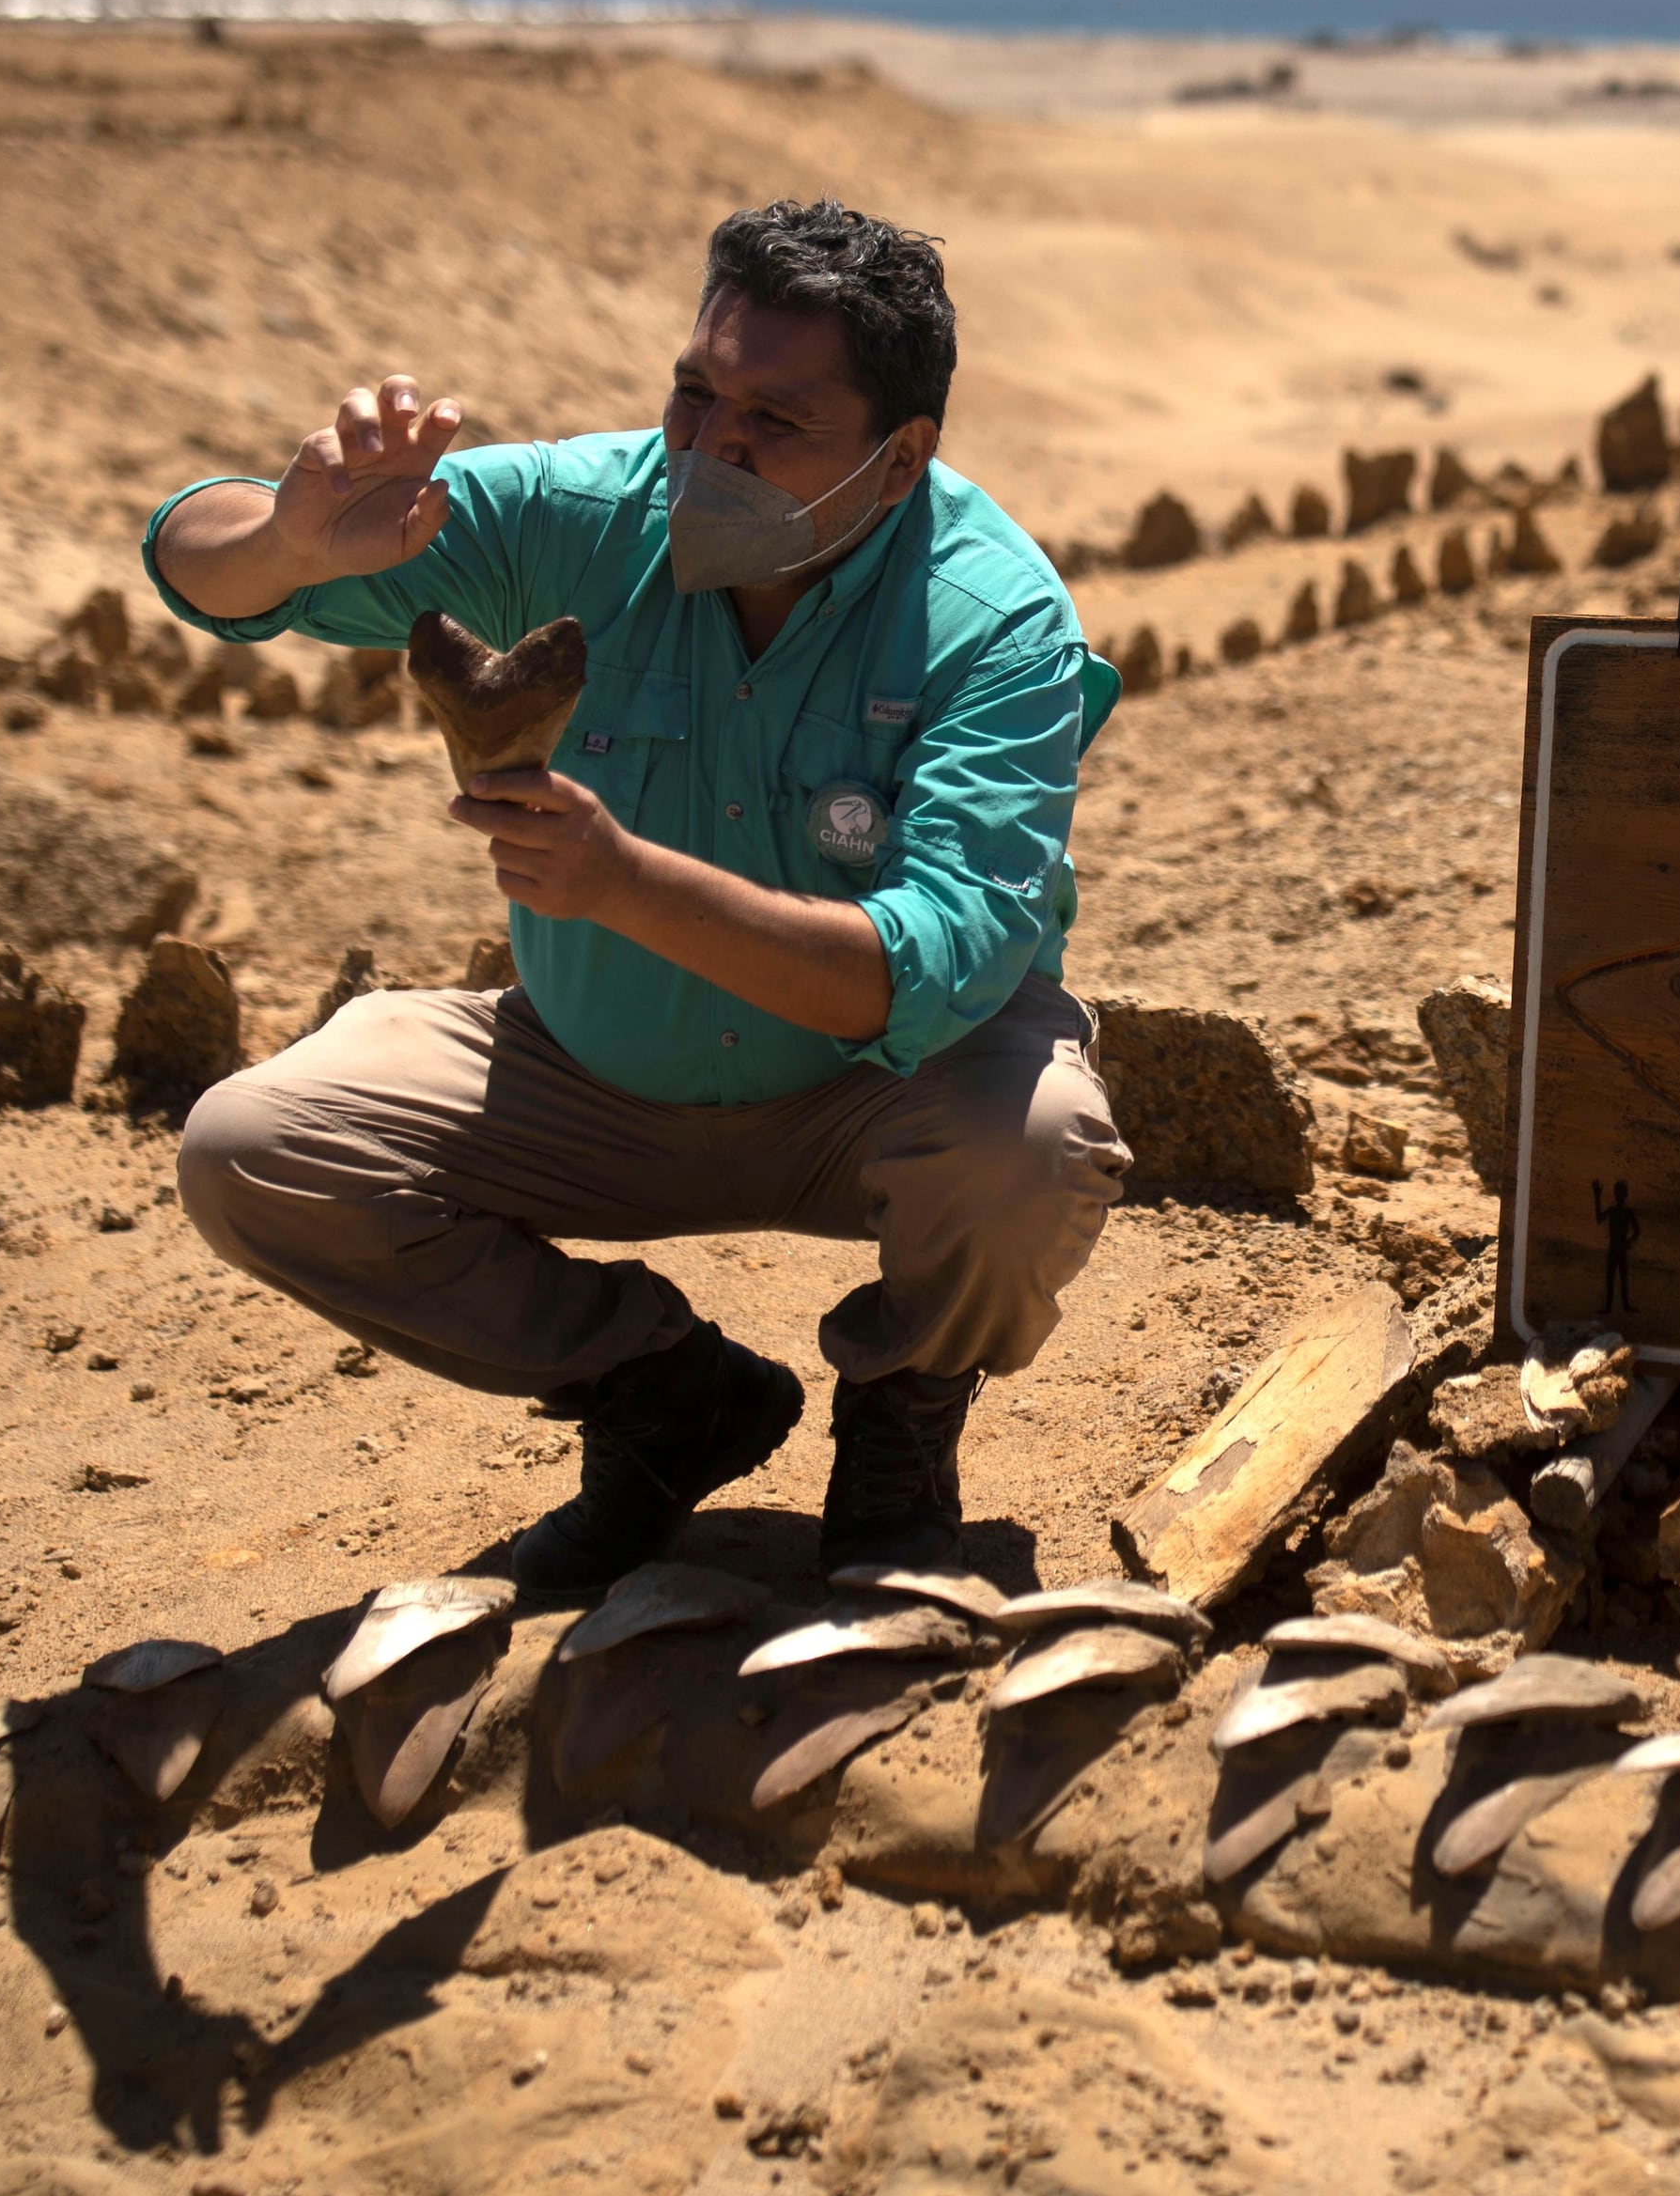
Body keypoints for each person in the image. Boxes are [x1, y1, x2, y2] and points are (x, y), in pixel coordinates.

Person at [147, 199, 1128, 1590]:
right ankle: (664, 1393)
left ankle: (905, 1416)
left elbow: (937, 961)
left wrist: (624, 882)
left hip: (869, 1093)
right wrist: (295, 543)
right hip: (589, 1078)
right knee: (251, 1149)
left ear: (901, 458)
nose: (710, 443)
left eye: (774, 421)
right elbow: (196, 560)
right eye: (693, 390)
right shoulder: (585, 516)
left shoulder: (994, 618)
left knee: (1031, 1151)